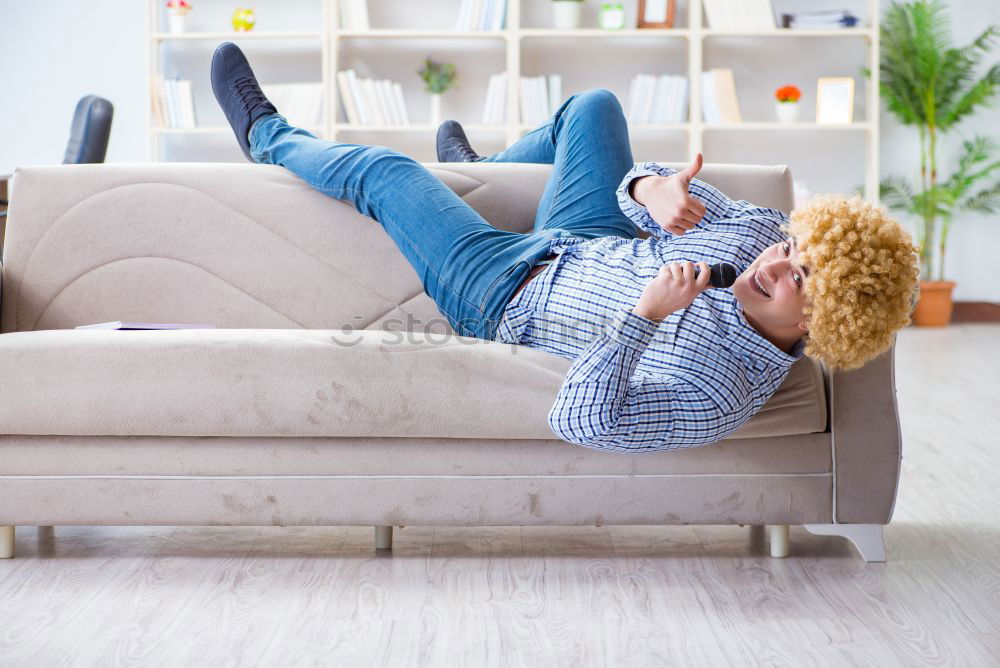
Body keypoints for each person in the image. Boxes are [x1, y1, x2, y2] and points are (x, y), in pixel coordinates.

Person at [210, 42, 920, 453]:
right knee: (594, 107)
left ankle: (266, 136)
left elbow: (581, 420)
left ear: (821, 325)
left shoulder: (717, 394)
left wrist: (643, 319)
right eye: (794, 245)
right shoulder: (762, 235)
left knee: (391, 173)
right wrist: (650, 191)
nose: (775, 261)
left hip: (504, 294)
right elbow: (646, 188)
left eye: (801, 276)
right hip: (586, 241)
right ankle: (490, 165)